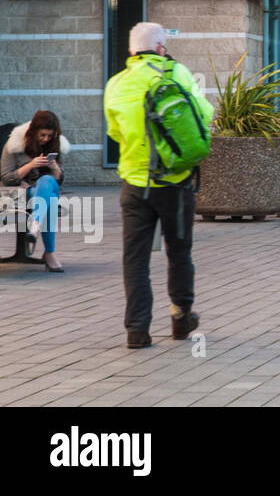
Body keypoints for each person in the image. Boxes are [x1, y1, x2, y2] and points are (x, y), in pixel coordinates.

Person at [104, 22, 214, 350]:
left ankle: (137, 330)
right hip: (175, 182)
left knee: (134, 258)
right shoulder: (176, 73)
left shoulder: (116, 83)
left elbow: (114, 132)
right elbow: (203, 114)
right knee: (179, 252)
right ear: (161, 48)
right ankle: (181, 318)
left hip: (135, 184)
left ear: (130, 51)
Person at [0, 111, 71, 271]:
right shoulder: (14, 146)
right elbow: (6, 178)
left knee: (47, 182)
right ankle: (49, 254)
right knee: (50, 201)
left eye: (49, 136)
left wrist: (55, 169)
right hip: (21, 193)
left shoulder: (54, 146)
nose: (46, 139)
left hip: (43, 191)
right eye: (42, 135)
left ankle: (35, 225)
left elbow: (58, 181)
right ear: (33, 132)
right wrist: (30, 165)